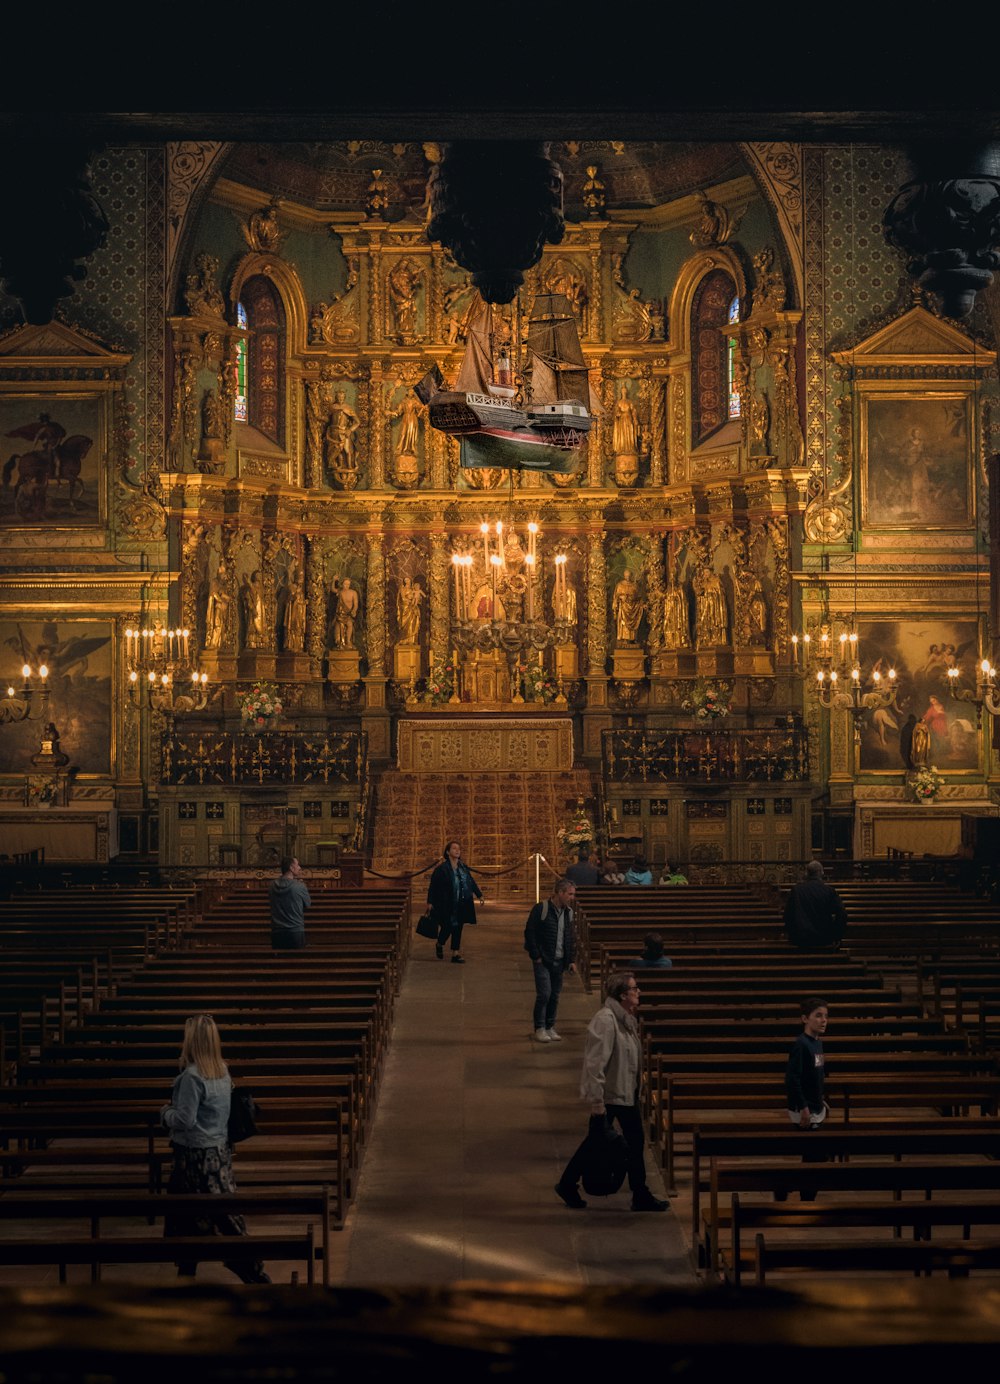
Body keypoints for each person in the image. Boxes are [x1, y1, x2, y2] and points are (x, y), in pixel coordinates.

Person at [160, 1014, 271, 1283]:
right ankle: (188, 1271)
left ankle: (252, 1272)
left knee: (208, 1215)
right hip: (218, 1154)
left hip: (194, 1157)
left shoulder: (192, 1077)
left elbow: (185, 1120)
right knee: (210, 1213)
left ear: (191, 1042)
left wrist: (165, 1113)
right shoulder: (221, 1070)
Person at [555, 972, 667, 1212]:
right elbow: (595, 1063)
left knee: (629, 1144)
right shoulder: (606, 1020)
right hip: (610, 1096)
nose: (639, 992)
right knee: (597, 1144)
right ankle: (569, 1184)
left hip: (625, 1093)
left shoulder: (624, 1017)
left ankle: (639, 1194)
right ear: (623, 994)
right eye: (635, 989)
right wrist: (597, 1102)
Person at [523, 877, 577, 1042]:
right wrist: (536, 955)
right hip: (543, 959)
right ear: (559, 893)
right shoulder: (541, 909)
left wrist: (571, 960)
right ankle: (539, 1027)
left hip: (560, 960)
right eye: (570, 894)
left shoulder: (569, 913)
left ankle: (549, 1026)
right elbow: (530, 932)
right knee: (544, 994)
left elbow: (570, 937)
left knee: (554, 995)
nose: (572, 898)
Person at [426, 840, 483, 964]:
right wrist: (430, 902)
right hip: (446, 903)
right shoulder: (441, 869)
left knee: (458, 927)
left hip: (462, 902)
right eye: (454, 848)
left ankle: (455, 954)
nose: (457, 850)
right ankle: (440, 943)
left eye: (458, 849)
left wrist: (479, 895)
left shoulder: (463, 867)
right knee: (448, 927)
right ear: (448, 852)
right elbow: (433, 886)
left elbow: (471, 881)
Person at [782, 860, 847, 950]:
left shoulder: (796, 891)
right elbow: (842, 914)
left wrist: (793, 934)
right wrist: (836, 935)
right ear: (822, 873)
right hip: (824, 938)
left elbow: (788, 915)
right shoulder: (829, 891)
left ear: (807, 873)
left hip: (801, 939)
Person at [785, 997, 828, 1129]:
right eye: (818, 1016)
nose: (824, 1020)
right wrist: (803, 1107)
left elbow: (816, 1074)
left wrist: (820, 1100)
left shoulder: (818, 1042)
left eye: (826, 1016)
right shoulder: (801, 1044)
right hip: (805, 1110)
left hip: (816, 1106)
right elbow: (792, 1079)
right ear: (805, 1019)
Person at [269, 855, 311, 950]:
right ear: (291, 868)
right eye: (297, 865)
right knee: (296, 963)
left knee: (279, 963)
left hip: (277, 931)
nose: (299, 867)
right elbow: (307, 905)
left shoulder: (272, 886)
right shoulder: (300, 886)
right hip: (295, 930)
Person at [612, 568, 644, 643]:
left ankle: (632, 639)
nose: (628, 577)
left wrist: (635, 601)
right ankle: (624, 639)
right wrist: (620, 599)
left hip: (633, 609)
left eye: (629, 576)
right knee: (624, 625)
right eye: (626, 576)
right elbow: (616, 597)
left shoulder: (634, 586)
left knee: (633, 624)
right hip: (623, 608)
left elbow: (638, 597)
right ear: (624, 576)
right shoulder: (620, 585)